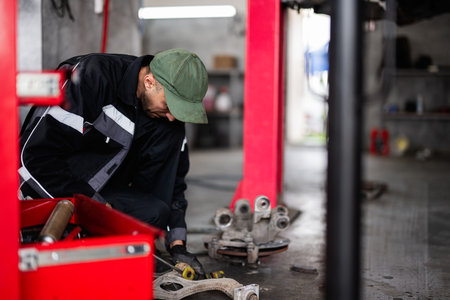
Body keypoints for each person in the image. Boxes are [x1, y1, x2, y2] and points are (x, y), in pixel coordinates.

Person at [19, 49, 208, 276]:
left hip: (103, 198)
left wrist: (178, 246)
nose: (171, 117)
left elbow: (173, 182)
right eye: (168, 107)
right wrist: (92, 205)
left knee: (156, 212)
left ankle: (99, 241)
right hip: (55, 190)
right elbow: (32, 157)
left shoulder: (169, 119)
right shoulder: (91, 77)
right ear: (149, 82)